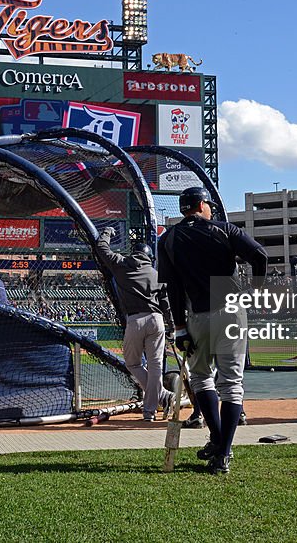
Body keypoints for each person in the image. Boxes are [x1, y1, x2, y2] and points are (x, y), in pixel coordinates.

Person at [157, 186, 268, 474]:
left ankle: (217, 442)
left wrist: (180, 327)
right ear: (202, 205)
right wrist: (254, 292)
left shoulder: (167, 238)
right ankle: (223, 451)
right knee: (231, 382)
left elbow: (173, 288)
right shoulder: (225, 229)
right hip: (231, 310)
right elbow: (260, 257)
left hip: (195, 316)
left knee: (201, 378)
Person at [93, 226, 174, 422]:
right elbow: (167, 305)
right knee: (155, 367)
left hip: (135, 319)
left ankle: (161, 398)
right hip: (157, 320)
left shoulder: (122, 264)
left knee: (132, 363)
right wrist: (171, 327)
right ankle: (155, 406)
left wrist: (108, 233)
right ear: (149, 257)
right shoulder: (156, 274)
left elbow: (101, 249)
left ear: (134, 254)